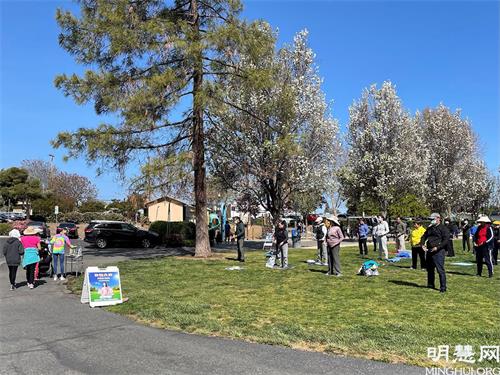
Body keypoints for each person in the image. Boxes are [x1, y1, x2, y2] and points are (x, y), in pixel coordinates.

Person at [420, 213, 449, 293]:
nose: (431, 221)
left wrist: (437, 247)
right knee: (430, 269)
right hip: (429, 250)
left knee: (440, 270)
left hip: (439, 252)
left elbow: (446, 240)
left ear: (438, 218)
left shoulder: (443, 228)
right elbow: (424, 236)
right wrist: (422, 244)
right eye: (430, 219)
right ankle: (430, 284)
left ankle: (443, 287)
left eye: (433, 219)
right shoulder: (430, 228)